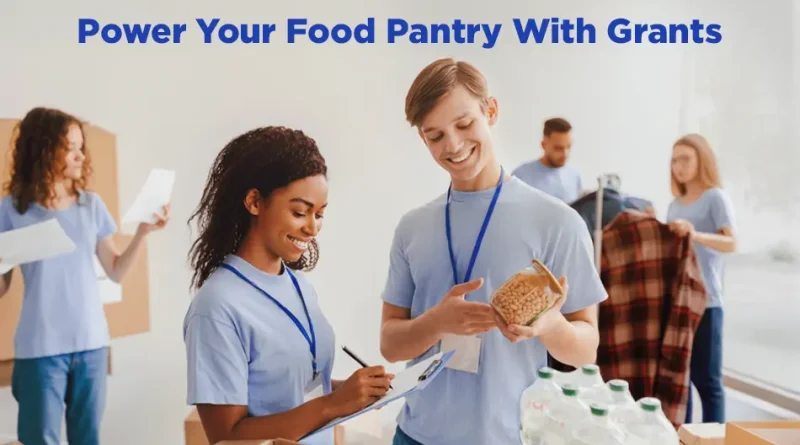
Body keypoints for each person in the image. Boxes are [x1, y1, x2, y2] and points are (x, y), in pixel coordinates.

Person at [379, 58, 607, 445]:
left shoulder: (557, 222)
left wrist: (549, 325)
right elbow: (390, 344)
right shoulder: (412, 227)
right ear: (423, 139)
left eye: (464, 124)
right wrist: (437, 321)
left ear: (491, 111)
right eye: (435, 136)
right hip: (415, 436)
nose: (452, 145)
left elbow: (586, 351)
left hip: (510, 437)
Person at [183, 126, 393, 445]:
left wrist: (352, 390)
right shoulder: (216, 307)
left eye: (319, 214)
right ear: (254, 201)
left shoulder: (297, 284)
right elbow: (226, 436)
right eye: (300, 212)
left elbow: (295, 391)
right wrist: (333, 404)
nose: (312, 228)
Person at [0, 107, 169, 445]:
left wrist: (142, 234)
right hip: (40, 348)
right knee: (38, 440)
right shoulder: (10, 209)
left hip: (91, 344)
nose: (81, 155)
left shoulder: (90, 206)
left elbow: (116, 271)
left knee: (87, 439)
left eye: (82, 146)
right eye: (72, 147)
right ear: (45, 149)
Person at [666, 133, 737, 423]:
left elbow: (731, 243)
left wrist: (694, 234)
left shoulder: (715, 197)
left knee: (708, 382)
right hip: (681, 301)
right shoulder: (675, 204)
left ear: (701, 160)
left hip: (708, 302)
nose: (679, 166)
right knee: (681, 380)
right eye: (674, 160)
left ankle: (714, 440)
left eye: (685, 159)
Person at [512, 117, 583, 203]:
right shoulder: (521, 176)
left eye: (568, 147)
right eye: (558, 148)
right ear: (543, 145)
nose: (565, 154)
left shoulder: (574, 176)